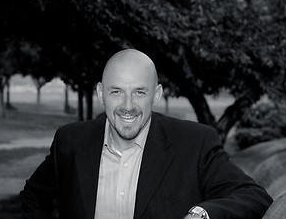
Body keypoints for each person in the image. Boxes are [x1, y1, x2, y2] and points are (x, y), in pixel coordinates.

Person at [20, 49, 273, 219]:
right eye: (116, 91)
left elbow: (254, 197)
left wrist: (200, 214)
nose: (127, 106)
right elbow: (33, 198)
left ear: (157, 95)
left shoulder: (194, 144)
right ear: (100, 93)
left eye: (139, 92)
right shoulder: (70, 141)